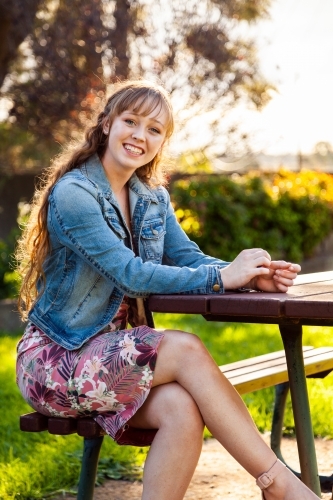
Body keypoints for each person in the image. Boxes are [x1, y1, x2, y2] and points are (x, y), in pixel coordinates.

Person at [15, 80, 319, 500]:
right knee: (186, 348)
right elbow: (131, 274)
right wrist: (222, 278)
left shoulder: (151, 198)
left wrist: (247, 275)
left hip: (114, 358)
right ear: (106, 125)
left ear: (163, 142)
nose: (140, 135)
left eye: (155, 129)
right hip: (57, 360)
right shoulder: (74, 194)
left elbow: (189, 259)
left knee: (182, 409)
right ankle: (279, 483)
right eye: (131, 121)